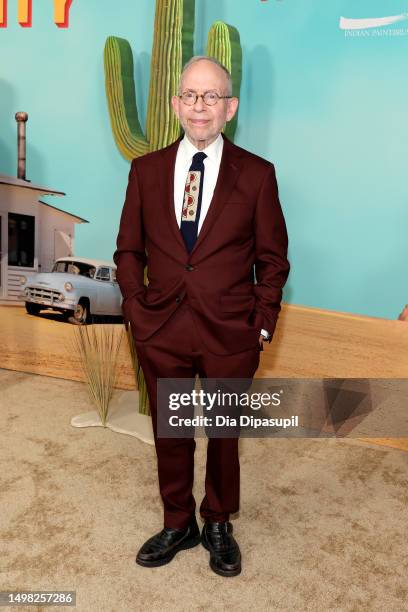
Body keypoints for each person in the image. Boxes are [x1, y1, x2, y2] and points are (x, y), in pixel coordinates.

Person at [113, 56, 290, 577]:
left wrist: (260, 322)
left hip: (230, 330)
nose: (200, 107)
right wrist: (132, 307)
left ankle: (217, 521)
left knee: (224, 434)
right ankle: (178, 521)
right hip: (160, 328)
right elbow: (128, 250)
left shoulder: (257, 175)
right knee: (170, 432)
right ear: (175, 105)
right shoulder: (144, 171)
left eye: (212, 97)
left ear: (229, 107)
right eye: (190, 95)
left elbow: (273, 260)